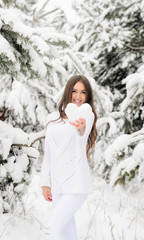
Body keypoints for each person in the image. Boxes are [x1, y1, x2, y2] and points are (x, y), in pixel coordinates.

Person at [40, 75, 97, 240]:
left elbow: (82, 134)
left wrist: (80, 128)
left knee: (51, 229)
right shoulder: (52, 119)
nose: (78, 96)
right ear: (67, 92)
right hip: (58, 185)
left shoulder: (87, 115)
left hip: (77, 184)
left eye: (83, 92)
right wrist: (45, 182)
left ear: (87, 96)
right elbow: (49, 153)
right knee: (66, 234)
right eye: (74, 91)